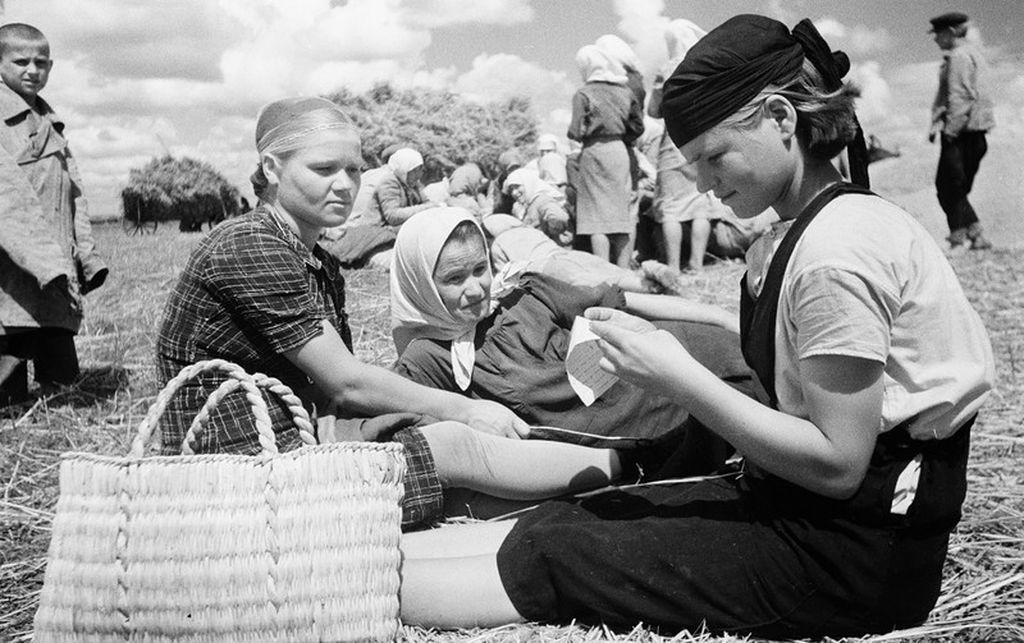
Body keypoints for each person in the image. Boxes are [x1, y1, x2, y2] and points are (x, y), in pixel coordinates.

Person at [397, 15, 994, 638]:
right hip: (804, 508)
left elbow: (839, 464)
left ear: (781, 119)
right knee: (573, 518)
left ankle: (323, 590)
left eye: (713, 156)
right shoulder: (807, 230)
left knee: (561, 556)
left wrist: (681, 380)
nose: (704, 185)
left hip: (854, 557)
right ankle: (346, 554)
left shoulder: (836, 254)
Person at [156, 96, 630, 531]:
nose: (344, 185)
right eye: (323, 169)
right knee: (453, 445)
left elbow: (331, 391)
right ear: (271, 167)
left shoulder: (317, 261)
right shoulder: (251, 243)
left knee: (469, 479)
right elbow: (346, 381)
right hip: (235, 459)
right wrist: (464, 408)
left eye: (354, 170)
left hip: (294, 437)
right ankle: (634, 467)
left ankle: (616, 478)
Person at [390, 207, 747, 479]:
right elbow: (389, 426)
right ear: (419, 284)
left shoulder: (522, 295)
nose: (476, 288)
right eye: (454, 278)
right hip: (635, 443)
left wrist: (720, 316)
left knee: (750, 369)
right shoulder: (430, 358)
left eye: (480, 269)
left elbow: (619, 300)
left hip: (664, 380)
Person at [0, 23, 108, 405]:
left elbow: (73, 190)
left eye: (41, 63)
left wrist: (86, 256)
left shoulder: (48, 119)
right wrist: (45, 262)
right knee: (6, 383)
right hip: (11, 266)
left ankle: (55, 406)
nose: (33, 70)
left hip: (54, 267)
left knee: (64, 391)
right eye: (21, 62)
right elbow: (6, 200)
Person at [568, 45, 644, 269]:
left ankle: (604, 269)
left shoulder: (583, 94)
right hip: (619, 151)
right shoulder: (625, 92)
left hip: (594, 151)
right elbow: (638, 127)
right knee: (621, 214)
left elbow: (574, 130)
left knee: (596, 217)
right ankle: (624, 269)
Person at [928, 11, 995, 251]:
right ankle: (972, 236)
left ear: (952, 32)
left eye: (939, 34)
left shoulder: (958, 56)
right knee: (955, 187)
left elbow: (961, 96)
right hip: (975, 133)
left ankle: (965, 236)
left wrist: (950, 131)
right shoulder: (975, 54)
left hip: (961, 133)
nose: (936, 39)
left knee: (948, 187)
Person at [501, 167, 572, 246]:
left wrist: (549, 235)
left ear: (528, 183)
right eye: (511, 189)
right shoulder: (529, 203)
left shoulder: (542, 201)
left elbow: (559, 217)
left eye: (517, 186)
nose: (514, 193)